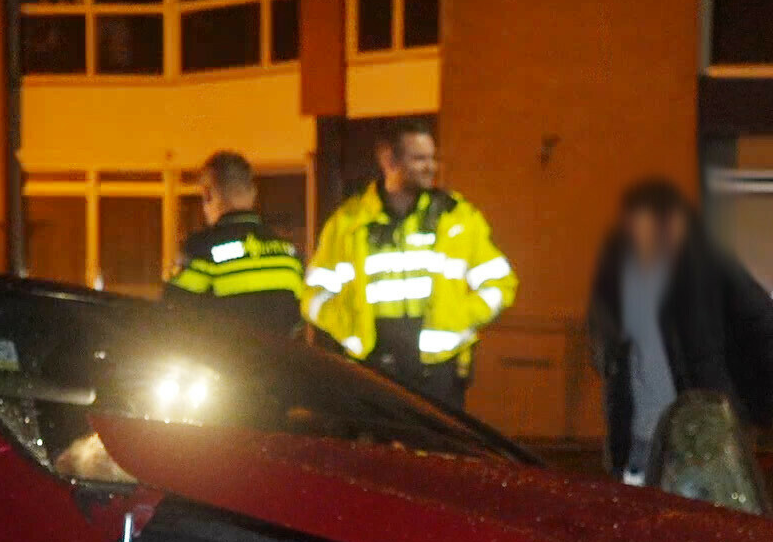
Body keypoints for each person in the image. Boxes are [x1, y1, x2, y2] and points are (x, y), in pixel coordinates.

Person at [584, 178, 773, 500]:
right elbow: (605, 353)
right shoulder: (617, 282)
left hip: (703, 439)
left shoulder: (710, 271)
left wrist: (756, 408)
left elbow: (765, 331)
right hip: (640, 442)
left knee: (703, 531)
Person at [305, 122, 513, 405]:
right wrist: (351, 331)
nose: (431, 167)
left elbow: (501, 284)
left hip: (439, 372)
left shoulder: (457, 219)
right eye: (419, 159)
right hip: (373, 369)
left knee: (440, 450)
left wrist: (458, 317)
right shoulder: (347, 224)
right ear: (388, 160)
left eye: (432, 158)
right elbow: (314, 297)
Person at [163, 151, 306, 335]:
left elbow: (173, 309)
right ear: (253, 192)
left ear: (207, 195)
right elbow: (301, 314)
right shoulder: (288, 252)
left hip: (223, 361)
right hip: (283, 361)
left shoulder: (202, 249)